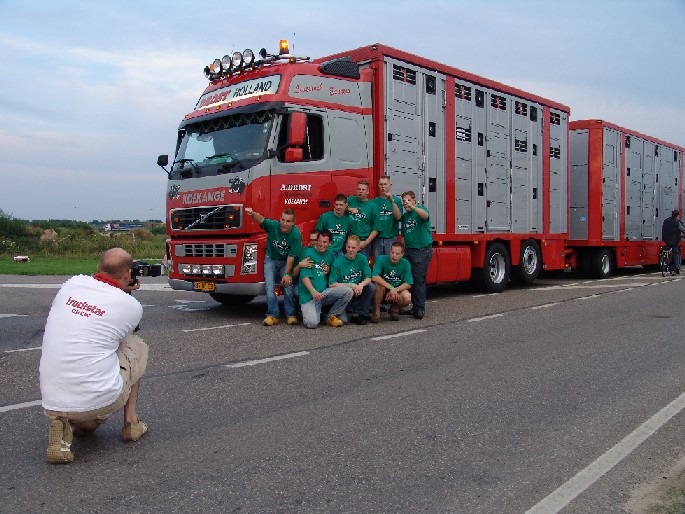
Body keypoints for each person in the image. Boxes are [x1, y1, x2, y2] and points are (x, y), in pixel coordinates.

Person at [39, 248, 149, 464]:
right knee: (136, 346)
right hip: (100, 400)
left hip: (52, 400)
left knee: (86, 427)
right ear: (128, 274)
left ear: (99, 267)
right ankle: (131, 422)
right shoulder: (131, 306)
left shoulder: (71, 284)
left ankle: (65, 423)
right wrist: (126, 291)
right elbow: (121, 338)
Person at [245, 207, 302, 326]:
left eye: (288, 221)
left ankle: (290, 315)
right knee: (269, 286)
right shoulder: (273, 225)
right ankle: (272, 315)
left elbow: (291, 257)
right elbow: (261, 219)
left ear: (293, 222)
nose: (284, 223)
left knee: (288, 285)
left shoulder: (296, 234)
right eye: (282, 219)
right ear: (280, 219)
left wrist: (287, 274)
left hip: (285, 261)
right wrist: (251, 213)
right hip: (271, 259)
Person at [299, 230, 354, 328]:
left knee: (348, 291)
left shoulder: (330, 255)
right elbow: (304, 276)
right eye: (319, 241)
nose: (321, 244)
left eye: (325, 242)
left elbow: (334, 275)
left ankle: (329, 316)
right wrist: (313, 291)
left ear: (330, 243)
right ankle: (307, 312)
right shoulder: (308, 253)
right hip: (310, 296)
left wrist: (329, 270)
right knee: (313, 324)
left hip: (323, 294)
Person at [329, 235, 376, 325]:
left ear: (358, 248)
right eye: (348, 247)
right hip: (344, 294)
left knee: (371, 287)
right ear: (345, 246)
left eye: (353, 247)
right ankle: (337, 312)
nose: (350, 250)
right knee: (345, 320)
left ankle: (362, 313)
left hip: (357, 291)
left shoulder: (362, 258)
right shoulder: (338, 262)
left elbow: (368, 277)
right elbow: (331, 284)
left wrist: (361, 285)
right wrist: (350, 285)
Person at [401, 191, 433, 319]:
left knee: (419, 279)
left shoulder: (420, 210)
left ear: (414, 200)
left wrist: (414, 208)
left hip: (422, 249)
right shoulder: (405, 217)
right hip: (409, 250)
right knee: (411, 280)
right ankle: (414, 307)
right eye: (404, 201)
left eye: (408, 200)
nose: (405, 203)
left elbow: (425, 216)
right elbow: (404, 235)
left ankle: (420, 309)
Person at [370, 241, 412, 323]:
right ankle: (377, 312)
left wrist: (395, 290)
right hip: (383, 291)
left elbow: (408, 283)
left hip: (396, 291)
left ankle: (394, 308)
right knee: (378, 286)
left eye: (397, 254)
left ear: (402, 254)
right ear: (389, 251)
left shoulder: (406, 263)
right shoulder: (381, 259)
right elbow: (374, 277)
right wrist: (390, 287)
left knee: (407, 297)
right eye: (392, 252)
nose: (394, 255)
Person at [372, 175, 403, 260]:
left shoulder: (396, 201)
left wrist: (392, 201)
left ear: (390, 185)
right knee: (378, 265)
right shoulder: (374, 202)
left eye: (385, 184)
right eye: (381, 184)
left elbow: (398, 217)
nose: (383, 187)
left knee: (391, 265)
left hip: (391, 239)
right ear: (378, 185)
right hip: (377, 240)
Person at [347, 179, 379, 258]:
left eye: (363, 189)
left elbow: (376, 228)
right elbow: (339, 207)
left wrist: (365, 242)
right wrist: (350, 209)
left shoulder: (373, 206)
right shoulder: (351, 200)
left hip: (363, 243)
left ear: (367, 191)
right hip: (349, 242)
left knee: (361, 267)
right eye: (359, 189)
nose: (360, 191)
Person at [661, 209, 685, 273]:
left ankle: (666, 262)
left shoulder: (665, 221)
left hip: (665, 240)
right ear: (677, 215)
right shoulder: (677, 222)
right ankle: (677, 268)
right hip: (674, 241)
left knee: (667, 249)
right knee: (676, 253)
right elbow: (683, 230)